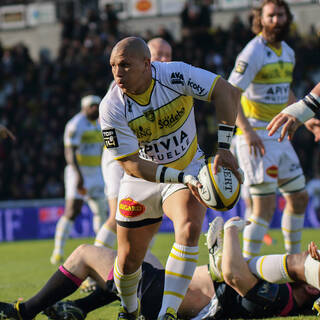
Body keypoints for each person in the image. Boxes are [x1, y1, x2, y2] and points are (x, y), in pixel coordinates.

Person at [100, 36, 241, 320]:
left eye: (125, 65)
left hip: (188, 165)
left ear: (147, 64)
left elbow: (226, 91)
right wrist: (178, 177)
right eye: (113, 65)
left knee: (189, 227)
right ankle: (129, 311)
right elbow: (130, 164)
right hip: (142, 177)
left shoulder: (176, 74)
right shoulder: (111, 106)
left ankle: (168, 314)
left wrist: (224, 148)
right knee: (128, 260)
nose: (117, 73)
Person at [1, 216, 320, 320]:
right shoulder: (288, 295)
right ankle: (80, 308)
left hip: (165, 297)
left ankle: (23, 310)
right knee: (141, 255)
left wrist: (233, 228)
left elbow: (234, 273)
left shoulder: (280, 299)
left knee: (85, 254)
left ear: (312, 290)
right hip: (173, 288)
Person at [228, 0, 308, 259]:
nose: (276, 20)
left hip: (279, 134)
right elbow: (231, 93)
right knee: (263, 207)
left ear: (288, 17)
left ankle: (294, 260)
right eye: (271, 16)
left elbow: (286, 92)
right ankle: (247, 265)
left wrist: (303, 117)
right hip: (256, 137)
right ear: (260, 19)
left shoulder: (288, 52)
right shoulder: (253, 52)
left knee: (299, 198)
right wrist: (247, 131)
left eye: (280, 15)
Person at [94, 37, 173, 251]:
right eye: (160, 54)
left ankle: (137, 270)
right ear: (146, 59)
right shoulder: (125, 81)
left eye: (168, 54)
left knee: (149, 218)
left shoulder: (167, 83)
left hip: (147, 157)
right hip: (120, 157)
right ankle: (93, 272)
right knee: (117, 215)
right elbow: (105, 121)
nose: (165, 59)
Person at [50, 95, 107, 265]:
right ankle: (58, 251)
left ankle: (100, 248)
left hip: (97, 171)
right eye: (92, 106)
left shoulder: (100, 123)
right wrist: (78, 176)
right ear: (84, 107)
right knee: (72, 210)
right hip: (79, 172)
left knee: (101, 210)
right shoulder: (75, 124)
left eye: (97, 105)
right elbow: (70, 153)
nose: (95, 109)